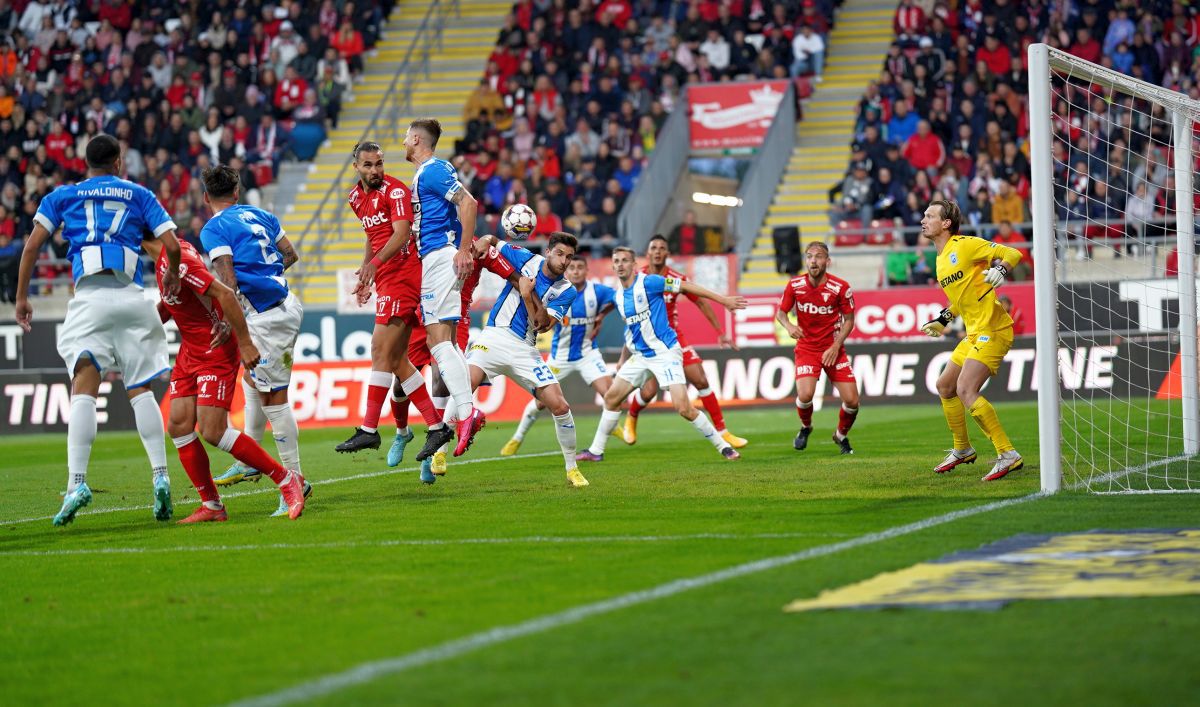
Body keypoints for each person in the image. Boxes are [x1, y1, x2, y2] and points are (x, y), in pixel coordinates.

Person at [14, 133, 181, 526]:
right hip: (131, 298)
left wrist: (22, 298)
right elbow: (172, 245)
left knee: (83, 387)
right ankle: (160, 476)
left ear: (85, 163)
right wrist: (171, 276)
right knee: (140, 389)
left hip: (90, 298)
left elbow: (32, 247)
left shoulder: (62, 196)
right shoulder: (139, 194)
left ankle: (77, 483)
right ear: (119, 162)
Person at [143, 236, 307, 522]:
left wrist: (244, 342)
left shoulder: (179, 260)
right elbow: (175, 302)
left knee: (212, 430)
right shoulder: (165, 260)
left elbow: (226, 294)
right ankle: (212, 506)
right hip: (189, 351)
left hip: (214, 348)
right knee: (179, 426)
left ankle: (286, 479)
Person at [199, 164, 311, 516]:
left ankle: (295, 480)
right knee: (252, 379)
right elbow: (290, 255)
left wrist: (233, 318)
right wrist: (268, 276)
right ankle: (251, 459)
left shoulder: (214, 228)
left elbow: (227, 280)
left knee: (273, 398)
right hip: (282, 303)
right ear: (236, 192)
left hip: (266, 317)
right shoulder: (261, 214)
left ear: (206, 198)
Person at [577, 246, 747, 462]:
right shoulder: (619, 297)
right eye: (616, 261)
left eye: (625, 261)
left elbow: (687, 286)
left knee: (684, 408)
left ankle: (723, 446)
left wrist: (723, 300)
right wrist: (622, 359)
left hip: (665, 352)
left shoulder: (649, 282)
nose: (620, 265)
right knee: (611, 398)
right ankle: (596, 451)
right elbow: (631, 330)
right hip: (640, 356)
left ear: (634, 264)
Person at [334, 141, 446, 457]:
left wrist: (375, 265)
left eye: (379, 163)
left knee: (378, 349)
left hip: (405, 275)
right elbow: (374, 236)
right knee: (396, 360)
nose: (375, 170)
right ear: (356, 166)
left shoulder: (395, 191)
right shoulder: (355, 197)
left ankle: (369, 429)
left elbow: (401, 233)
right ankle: (437, 427)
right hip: (386, 278)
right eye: (368, 165)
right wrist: (367, 274)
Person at [466, 231, 590, 488]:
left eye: (569, 257)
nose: (564, 261)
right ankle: (439, 454)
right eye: (560, 254)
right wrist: (483, 241)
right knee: (463, 387)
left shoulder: (566, 290)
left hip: (525, 349)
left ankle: (572, 468)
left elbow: (542, 324)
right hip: (494, 337)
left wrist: (526, 294)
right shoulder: (524, 258)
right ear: (548, 251)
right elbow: (491, 241)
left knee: (560, 406)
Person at [919, 199, 1024, 481]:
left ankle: (1007, 454)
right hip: (974, 332)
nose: (923, 220)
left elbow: (1012, 252)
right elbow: (960, 298)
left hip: (994, 328)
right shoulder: (941, 260)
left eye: (930, 216)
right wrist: (943, 319)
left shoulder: (964, 245)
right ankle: (962, 449)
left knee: (966, 388)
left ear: (946, 223)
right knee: (945, 385)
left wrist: (1000, 270)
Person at [403, 118, 487, 460]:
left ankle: (467, 412)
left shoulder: (432, 170)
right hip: (435, 257)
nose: (403, 141)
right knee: (445, 342)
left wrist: (464, 250)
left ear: (418, 139)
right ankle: (466, 413)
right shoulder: (428, 172)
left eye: (407, 137)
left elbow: (469, 204)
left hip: (440, 256)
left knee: (439, 343)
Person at [623, 235, 747, 448]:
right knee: (649, 391)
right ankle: (631, 417)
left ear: (668, 254)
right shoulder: (638, 278)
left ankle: (723, 432)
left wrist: (720, 331)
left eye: (662, 248)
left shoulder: (674, 279)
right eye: (654, 247)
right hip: (648, 341)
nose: (658, 251)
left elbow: (700, 302)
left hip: (672, 338)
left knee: (700, 379)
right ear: (648, 252)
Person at [502, 254, 617, 456]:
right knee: (540, 402)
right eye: (572, 267)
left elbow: (619, 298)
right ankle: (517, 438)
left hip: (587, 354)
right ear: (567, 270)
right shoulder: (559, 291)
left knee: (611, 396)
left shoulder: (597, 291)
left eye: (580, 267)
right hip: (560, 357)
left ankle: (601, 440)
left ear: (587, 270)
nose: (575, 271)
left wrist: (601, 315)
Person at [775, 242, 860, 454]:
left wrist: (836, 345)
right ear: (806, 260)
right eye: (810, 256)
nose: (813, 260)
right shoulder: (794, 285)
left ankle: (840, 435)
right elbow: (781, 313)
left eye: (819, 256)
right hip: (807, 348)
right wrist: (789, 326)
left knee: (852, 401)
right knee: (805, 395)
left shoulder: (840, 287)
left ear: (827, 261)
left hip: (833, 349)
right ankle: (806, 427)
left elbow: (849, 320)